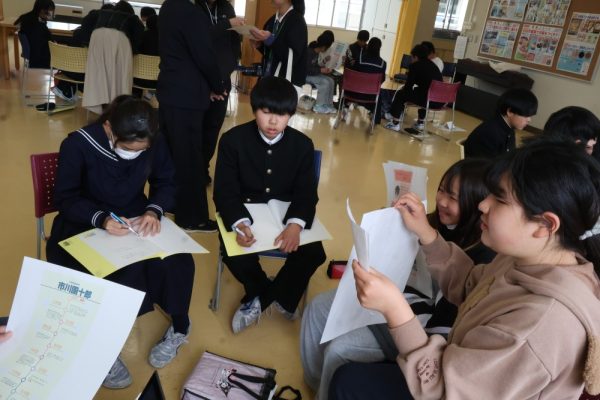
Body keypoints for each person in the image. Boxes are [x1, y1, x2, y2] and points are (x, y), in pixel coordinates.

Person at [329, 139, 600, 399]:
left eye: (499, 199)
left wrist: (395, 310)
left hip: (449, 386)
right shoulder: (526, 260)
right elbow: (473, 285)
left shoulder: (540, 327)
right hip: (459, 367)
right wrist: (427, 233)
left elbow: (444, 390)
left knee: (348, 382)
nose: (483, 204)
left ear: (545, 225)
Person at [300, 158, 495, 400]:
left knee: (339, 349)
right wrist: (389, 220)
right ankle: (317, 384)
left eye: (453, 197)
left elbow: (438, 335)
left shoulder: (485, 255)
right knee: (316, 308)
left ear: (476, 203)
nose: (442, 201)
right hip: (397, 294)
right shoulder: (434, 222)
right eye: (441, 190)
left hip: (418, 325)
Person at [46, 96, 195, 389]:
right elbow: (65, 198)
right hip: (83, 222)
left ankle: (180, 326)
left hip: (135, 219)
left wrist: (154, 210)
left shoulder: (153, 139)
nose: (135, 154)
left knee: (178, 261)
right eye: (128, 148)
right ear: (109, 128)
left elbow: (166, 181)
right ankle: (100, 345)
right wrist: (101, 219)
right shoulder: (78, 145)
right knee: (115, 276)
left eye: (142, 150)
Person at [213, 76, 327, 334]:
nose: (274, 122)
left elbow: (307, 192)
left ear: (291, 114)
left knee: (314, 253)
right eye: (266, 112)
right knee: (234, 252)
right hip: (245, 211)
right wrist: (239, 224)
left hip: (286, 213)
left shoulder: (302, 145)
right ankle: (275, 294)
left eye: (282, 115)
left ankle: (260, 299)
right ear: (254, 109)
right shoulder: (232, 140)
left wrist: (295, 225)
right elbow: (224, 190)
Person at [158, 0, 226, 232]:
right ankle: (192, 218)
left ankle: (170, 203)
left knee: (171, 155)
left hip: (170, 90)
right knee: (190, 159)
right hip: (187, 97)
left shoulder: (169, 6)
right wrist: (217, 85)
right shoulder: (192, 12)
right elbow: (204, 55)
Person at [196, 0, 244, 185]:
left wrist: (229, 67)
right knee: (195, 128)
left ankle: (202, 168)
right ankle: (191, 170)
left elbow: (234, 41)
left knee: (212, 128)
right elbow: (199, 38)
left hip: (222, 80)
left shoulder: (226, 8)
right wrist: (226, 24)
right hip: (198, 80)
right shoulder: (194, 7)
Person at [463, 88, 538, 158]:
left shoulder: (508, 128)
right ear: (510, 112)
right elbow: (489, 165)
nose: (529, 120)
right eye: (526, 115)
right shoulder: (490, 133)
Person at [384, 44, 442, 133]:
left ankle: (395, 123)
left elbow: (408, 86)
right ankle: (420, 122)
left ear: (416, 56)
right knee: (421, 91)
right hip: (439, 101)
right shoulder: (433, 66)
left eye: (412, 57)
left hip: (428, 101)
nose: (411, 59)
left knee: (400, 94)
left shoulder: (415, 66)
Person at [249, 0, 308, 87]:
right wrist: (260, 45)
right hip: (268, 78)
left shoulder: (297, 21)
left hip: (286, 84)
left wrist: (270, 40)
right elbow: (272, 54)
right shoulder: (271, 20)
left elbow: (292, 57)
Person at [341, 37, 387, 125]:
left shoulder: (359, 58)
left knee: (349, 83)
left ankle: (345, 107)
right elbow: (382, 80)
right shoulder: (383, 64)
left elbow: (352, 75)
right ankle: (375, 117)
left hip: (353, 93)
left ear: (368, 46)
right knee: (379, 93)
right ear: (379, 48)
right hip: (371, 96)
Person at [306, 31, 336, 114]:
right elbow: (306, 69)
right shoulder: (309, 52)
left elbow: (315, 65)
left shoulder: (316, 52)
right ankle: (318, 106)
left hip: (312, 74)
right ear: (324, 47)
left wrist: (322, 68)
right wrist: (320, 70)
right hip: (305, 75)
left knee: (331, 80)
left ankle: (328, 104)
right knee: (325, 82)